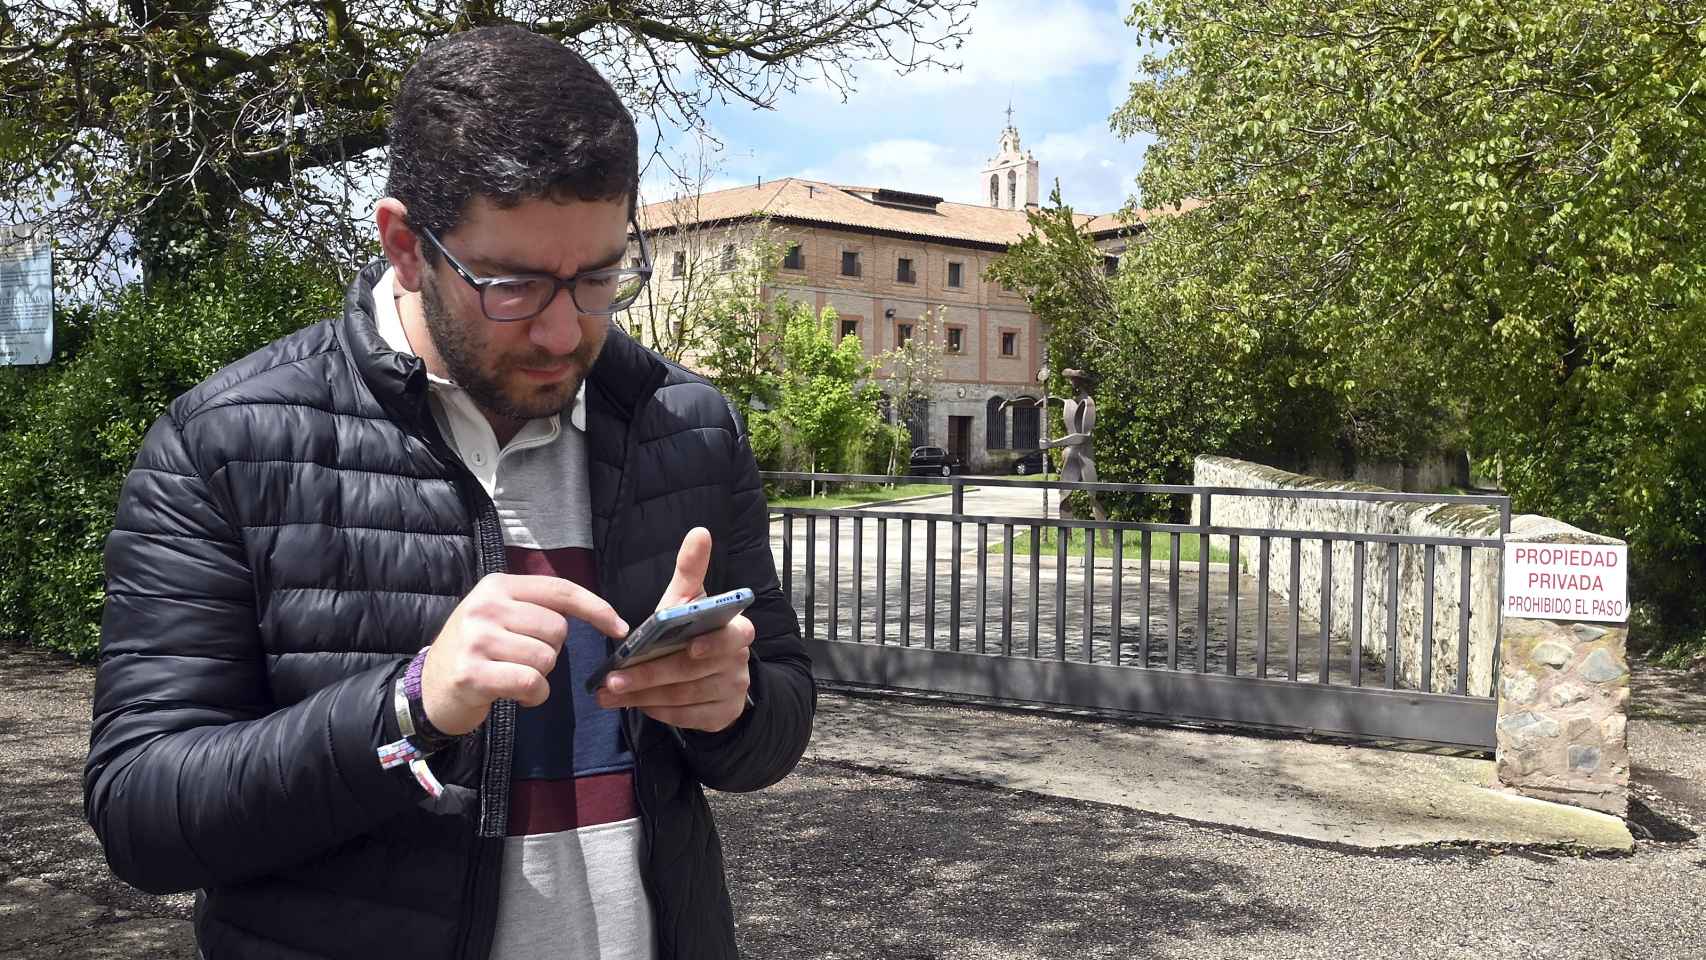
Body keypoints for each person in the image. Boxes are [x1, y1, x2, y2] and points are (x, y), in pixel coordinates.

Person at [82, 26, 814, 960]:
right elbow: (142, 814)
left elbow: (780, 715)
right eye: (511, 286)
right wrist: (408, 708)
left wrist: (733, 705)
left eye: (597, 279)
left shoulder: (687, 426)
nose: (561, 332)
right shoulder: (226, 442)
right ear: (402, 244)